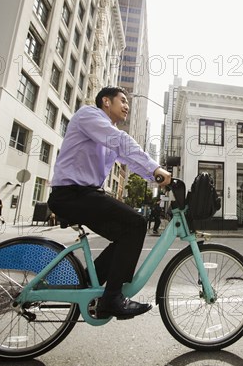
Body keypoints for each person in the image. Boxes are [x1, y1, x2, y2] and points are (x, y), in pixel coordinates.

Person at [47, 86, 172, 320]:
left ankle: (85, 285)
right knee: (136, 223)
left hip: (85, 194)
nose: (126, 106)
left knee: (127, 232)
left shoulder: (107, 132)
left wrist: (156, 177)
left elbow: (130, 160)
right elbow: (121, 142)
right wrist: (156, 168)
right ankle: (112, 298)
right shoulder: (90, 116)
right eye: (122, 101)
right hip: (72, 194)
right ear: (106, 101)